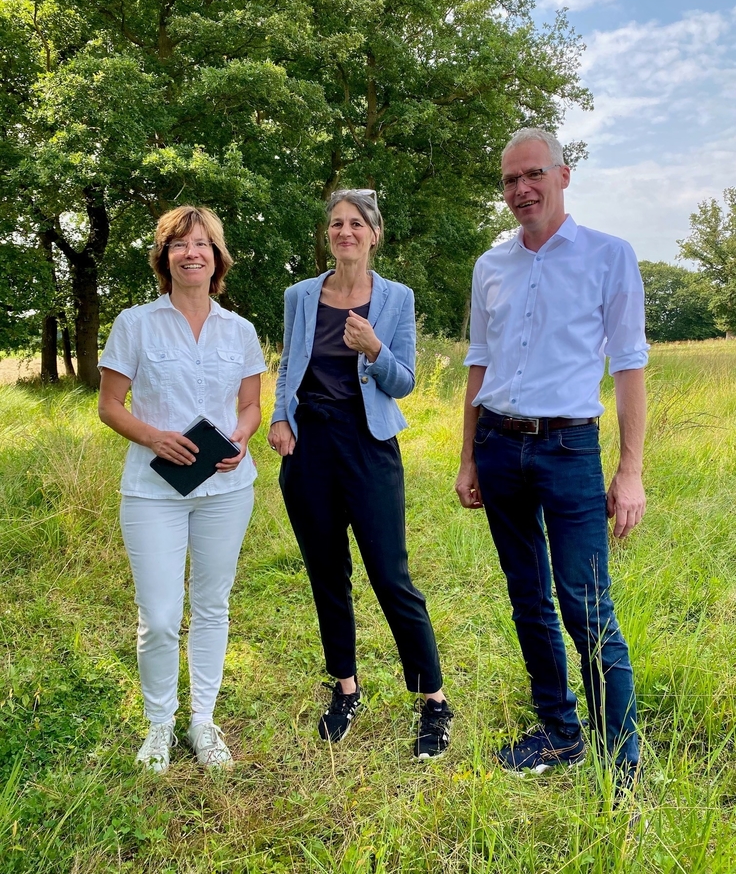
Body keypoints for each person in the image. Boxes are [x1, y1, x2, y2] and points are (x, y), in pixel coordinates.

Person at [455, 128, 647, 789]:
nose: (520, 190)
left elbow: (628, 368)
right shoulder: (491, 266)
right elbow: (478, 364)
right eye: (509, 180)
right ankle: (560, 733)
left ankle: (620, 755)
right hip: (499, 445)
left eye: (532, 174)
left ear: (564, 176)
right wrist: (468, 458)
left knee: (586, 602)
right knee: (527, 597)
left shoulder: (608, 256)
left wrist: (630, 471)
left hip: (569, 448)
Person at [267, 188, 453, 758]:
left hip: (369, 445)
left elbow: (405, 382)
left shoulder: (396, 298)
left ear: (375, 233)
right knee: (327, 573)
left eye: (356, 224)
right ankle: (345, 687)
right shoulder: (301, 295)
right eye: (336, 224)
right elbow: (288, 368)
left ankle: (434, 701)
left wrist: (374, 347)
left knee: (390, 576)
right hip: (310, 445)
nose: (344, 232)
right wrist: (280, 417)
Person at [98, 205, 266, 773]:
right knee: (162, 615)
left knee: (213, 605)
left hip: (226, 489)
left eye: (203, 244)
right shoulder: (134, 323)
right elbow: (109, 406)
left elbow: (250, 405)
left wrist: (242, 437)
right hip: (152, 490)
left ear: (218, 258)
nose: (191, 252)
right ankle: (159, 725)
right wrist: (154, 437)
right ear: (164, 257)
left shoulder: (240, 330)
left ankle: (202, 721)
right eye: (179, 244)